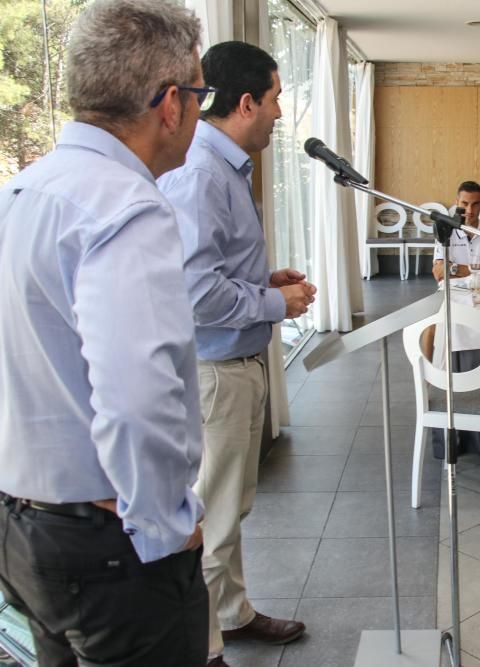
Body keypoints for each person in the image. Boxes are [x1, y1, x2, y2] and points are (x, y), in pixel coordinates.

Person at [0, 1, 209, 664]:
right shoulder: (126, 206)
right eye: (200, 95)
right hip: (109, 549)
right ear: (170, 104)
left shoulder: (24, 191)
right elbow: (139, 397)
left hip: (21, 527)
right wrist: (162, 525)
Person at [158, 41, 314, 666]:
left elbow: (216, 271)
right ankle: (204, 647)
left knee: (232, 505)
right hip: (217, 370)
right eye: (276, 100)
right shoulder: (200, 175)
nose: (280, 113)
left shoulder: (225, 169)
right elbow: (196, 293)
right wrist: (277, 305)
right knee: (214, 514)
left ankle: (233, 613)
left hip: (239, 362)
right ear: (246, 102)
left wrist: (264, 282)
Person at [431, 181, 480, 281]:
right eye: (465, 204)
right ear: (457, 203)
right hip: (455, 293)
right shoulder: (445, 232)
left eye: (475, 204)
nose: (469, 210)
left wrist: (452, 268)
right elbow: (439, 273)